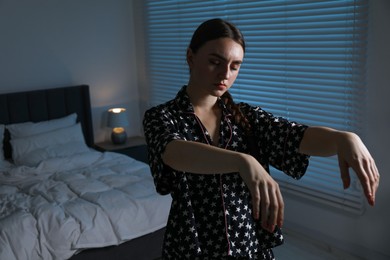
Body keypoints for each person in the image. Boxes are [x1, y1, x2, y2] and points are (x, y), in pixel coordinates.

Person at [143, 18, 380, 260]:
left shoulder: (246, 117)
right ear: (191, 57)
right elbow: (174, 152)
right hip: (191, 246)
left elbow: (296, 136)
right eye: (215, 62)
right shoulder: (160, 116)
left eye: (235, 66)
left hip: (249, 245)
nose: (225, 74)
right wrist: (242, 161)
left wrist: (344, 139)